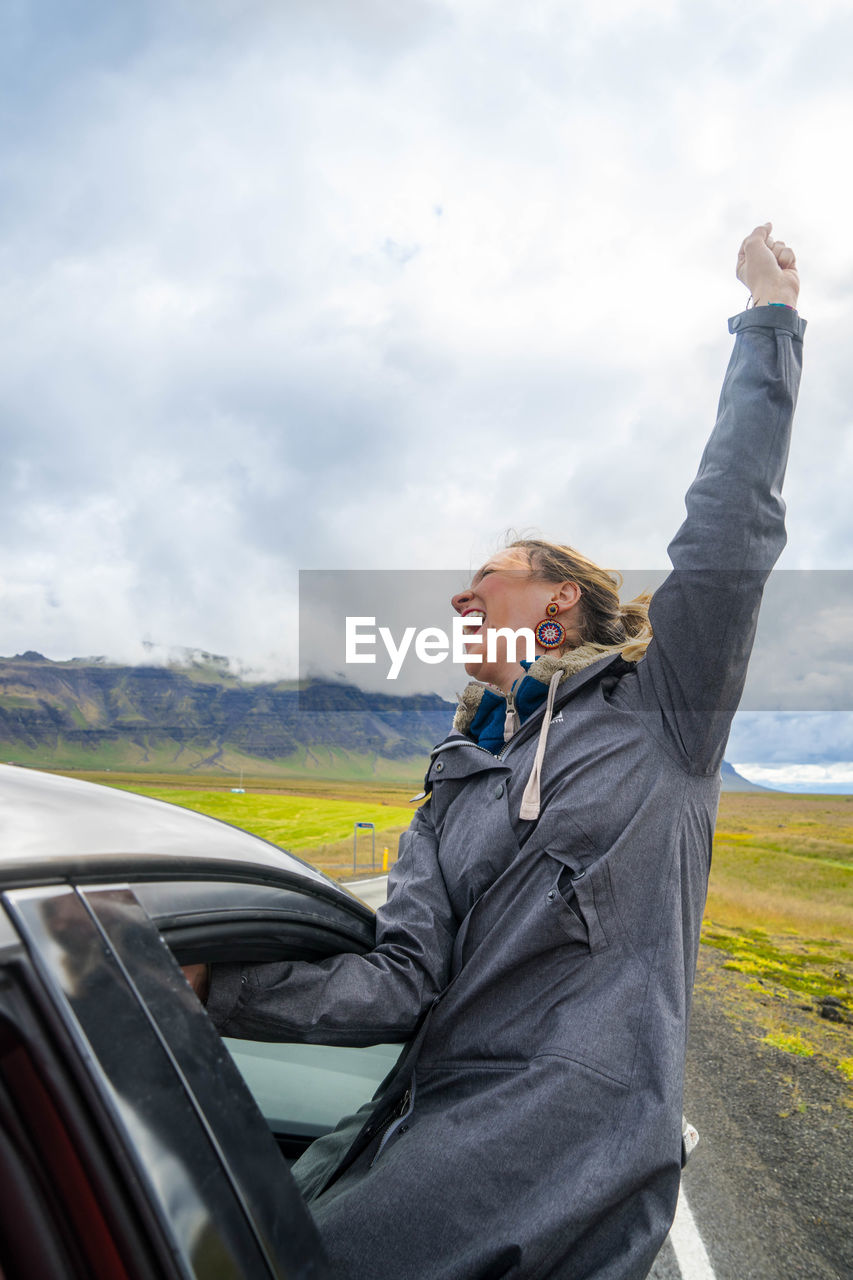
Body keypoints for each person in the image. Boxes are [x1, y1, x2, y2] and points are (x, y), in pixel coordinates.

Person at [184, 222, 804, 1279]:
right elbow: (393, 981)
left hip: (561, 1154)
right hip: (418, 1125)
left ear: (561, 596)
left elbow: (729, 531)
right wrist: (203, 984)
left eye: (489, 574)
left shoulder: (663, 711)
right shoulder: (455, 778)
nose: (460, 595)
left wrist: (766, 322)